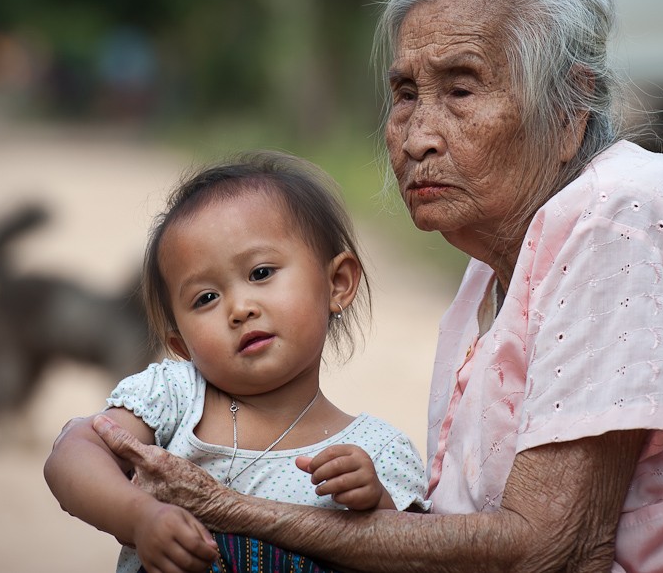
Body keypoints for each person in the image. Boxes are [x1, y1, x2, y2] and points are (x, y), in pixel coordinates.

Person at [85, 0, 663, 572]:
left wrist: (231, 509)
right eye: (404, 94)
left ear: (570, 110)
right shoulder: (493, 266)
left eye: (460, 90)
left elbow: (552, 550)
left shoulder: (620, 216)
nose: (417, 135)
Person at [44, 151, 429, 573]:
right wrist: (139, 516)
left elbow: (419, 556)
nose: (239, 308)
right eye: (206, 298)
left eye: (261, 273)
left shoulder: (378, 451)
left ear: (337, 283)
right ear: (181, 344)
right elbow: (71, 454)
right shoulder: (177, 397)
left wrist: (376, 504)